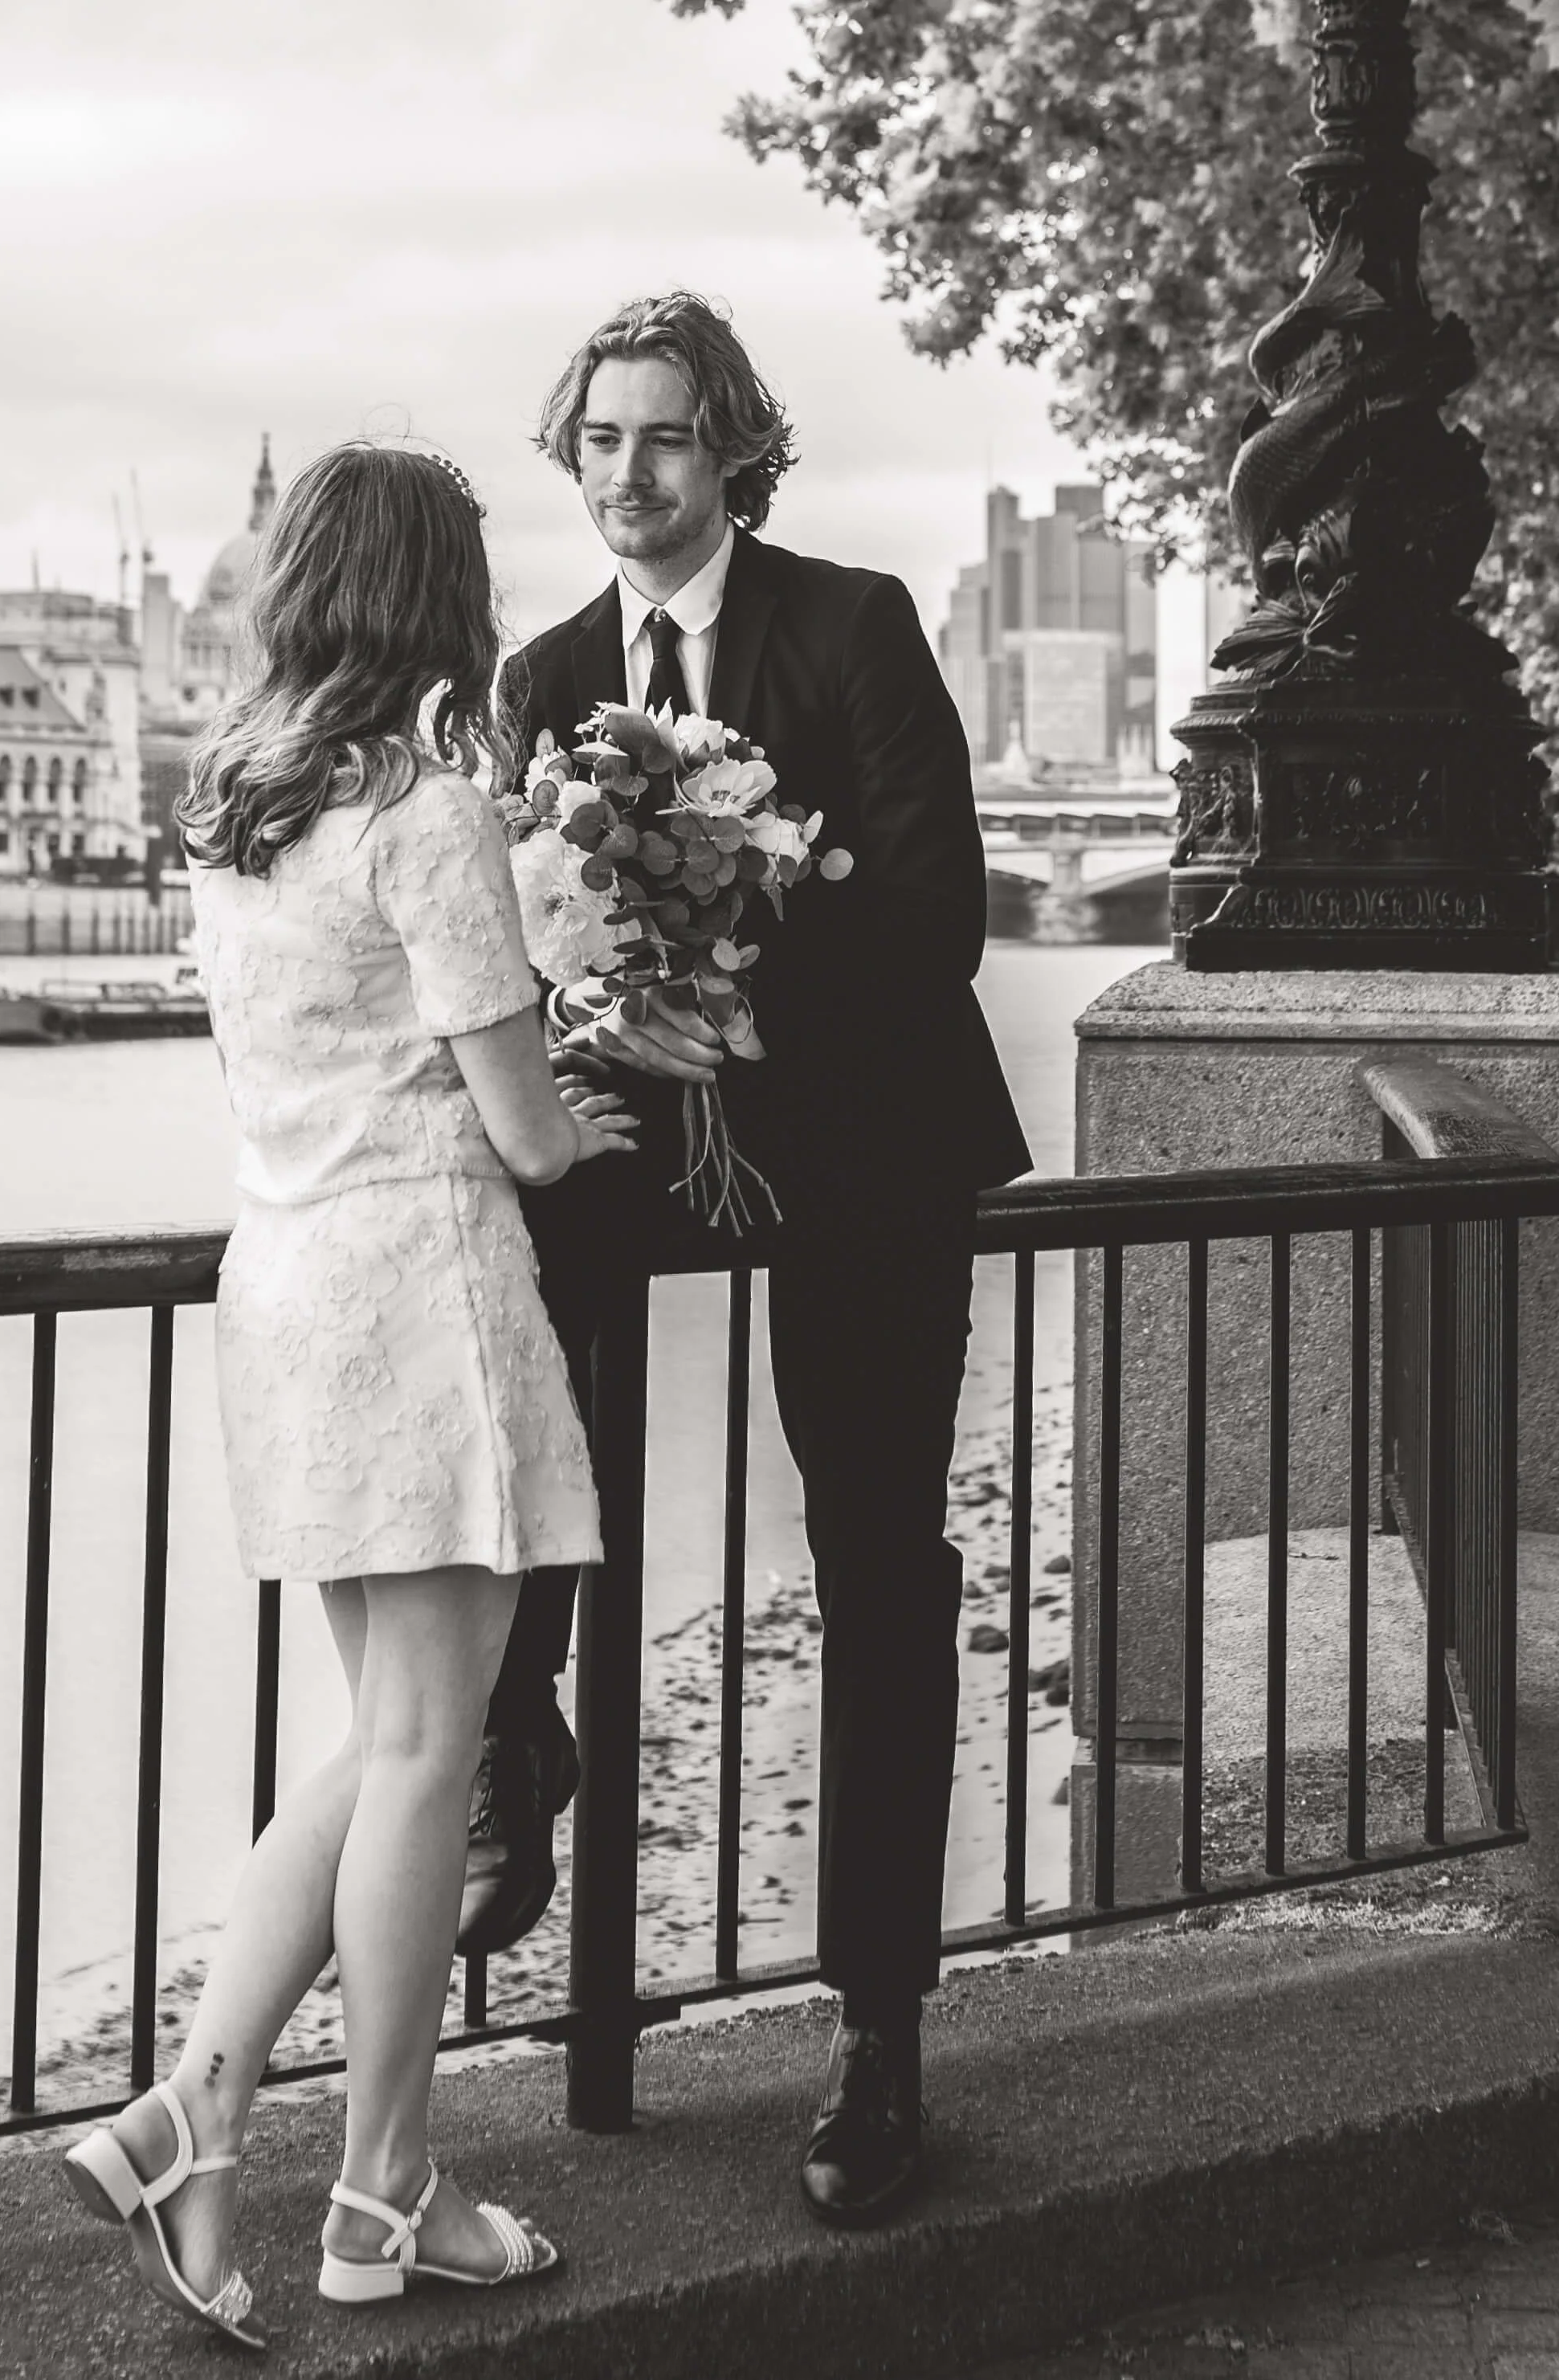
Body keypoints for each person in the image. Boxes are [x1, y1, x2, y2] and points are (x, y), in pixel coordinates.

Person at [457, 292, 1032, 2227]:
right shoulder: (542, 676)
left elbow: (937, 912)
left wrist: (743, 1010)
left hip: (860, 1138)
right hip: (642, 1138)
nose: (631, 474)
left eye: (668, 438)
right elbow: (513, 950)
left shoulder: (852, 623)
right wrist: (601, 1037)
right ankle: (510, 1733)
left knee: (876, 1552)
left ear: (735, 453)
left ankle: (878, 2029)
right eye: (603, 439)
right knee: (507, 1289)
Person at [61, 441, 634, 2343]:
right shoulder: (424, 806)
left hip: (284, 1284)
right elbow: (531, 1136)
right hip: (421, 1290)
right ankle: (380, 2184)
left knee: (390, 1734)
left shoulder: (234, 806)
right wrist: (589, 1086)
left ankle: (198, 2107)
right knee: (429, 1747)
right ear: (435, 599)